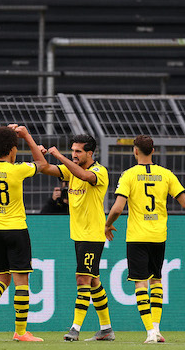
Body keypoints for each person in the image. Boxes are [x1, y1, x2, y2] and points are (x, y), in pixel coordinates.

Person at [104, 134, 185, 344]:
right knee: (157, 280)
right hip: (158, 235)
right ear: (153, 151)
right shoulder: (166, 174)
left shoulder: (129, 175)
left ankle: (150, 331)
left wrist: (107, 224)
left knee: (140, 283)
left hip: (137, 236)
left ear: (135, 151)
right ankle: (157, 329)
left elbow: (117, 207)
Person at [39, 134, 115, 341]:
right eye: (72, 150)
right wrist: (35, 145)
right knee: (93, 281)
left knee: (82, 279)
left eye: (78, 151)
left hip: (92, 235)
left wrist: (58, 155)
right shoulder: (71, 170)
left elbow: (85, 176)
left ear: (90, 153)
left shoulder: (99, 171)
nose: (73, 154)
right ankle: (106, 329)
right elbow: (45, 168)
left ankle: (75, 328)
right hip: (79, 235)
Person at [0, 124, 48, 342]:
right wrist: (27, 136)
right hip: (16, 229)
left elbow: (13, 162)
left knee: (1, 279)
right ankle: (20, 331)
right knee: (21, 282)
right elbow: (42, 165)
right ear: (11, 149)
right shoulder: (17, 171)